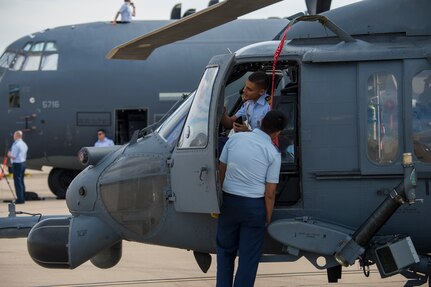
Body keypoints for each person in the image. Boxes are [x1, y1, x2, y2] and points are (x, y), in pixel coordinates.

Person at [216, 110, 287, 287]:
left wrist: (218, 201)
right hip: (254, 208)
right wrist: (267, 216)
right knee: (248, 258)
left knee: (225, 252)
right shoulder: (273, 153)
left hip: (229, 203)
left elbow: (221, 172)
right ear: (277, 132)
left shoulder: (234, 139)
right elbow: (270, 192)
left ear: (262, 122)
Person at [7, 130, 28, 204]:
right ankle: (23, 197)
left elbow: (13, 156)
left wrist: (9, 154)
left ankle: (20, 199)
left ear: (17, 136)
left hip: (17, 164)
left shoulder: (16, 145)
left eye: (14, 135)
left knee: (17, 182)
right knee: (21, 181)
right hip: (23, 164)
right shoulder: (24, 144)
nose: (13, 136)